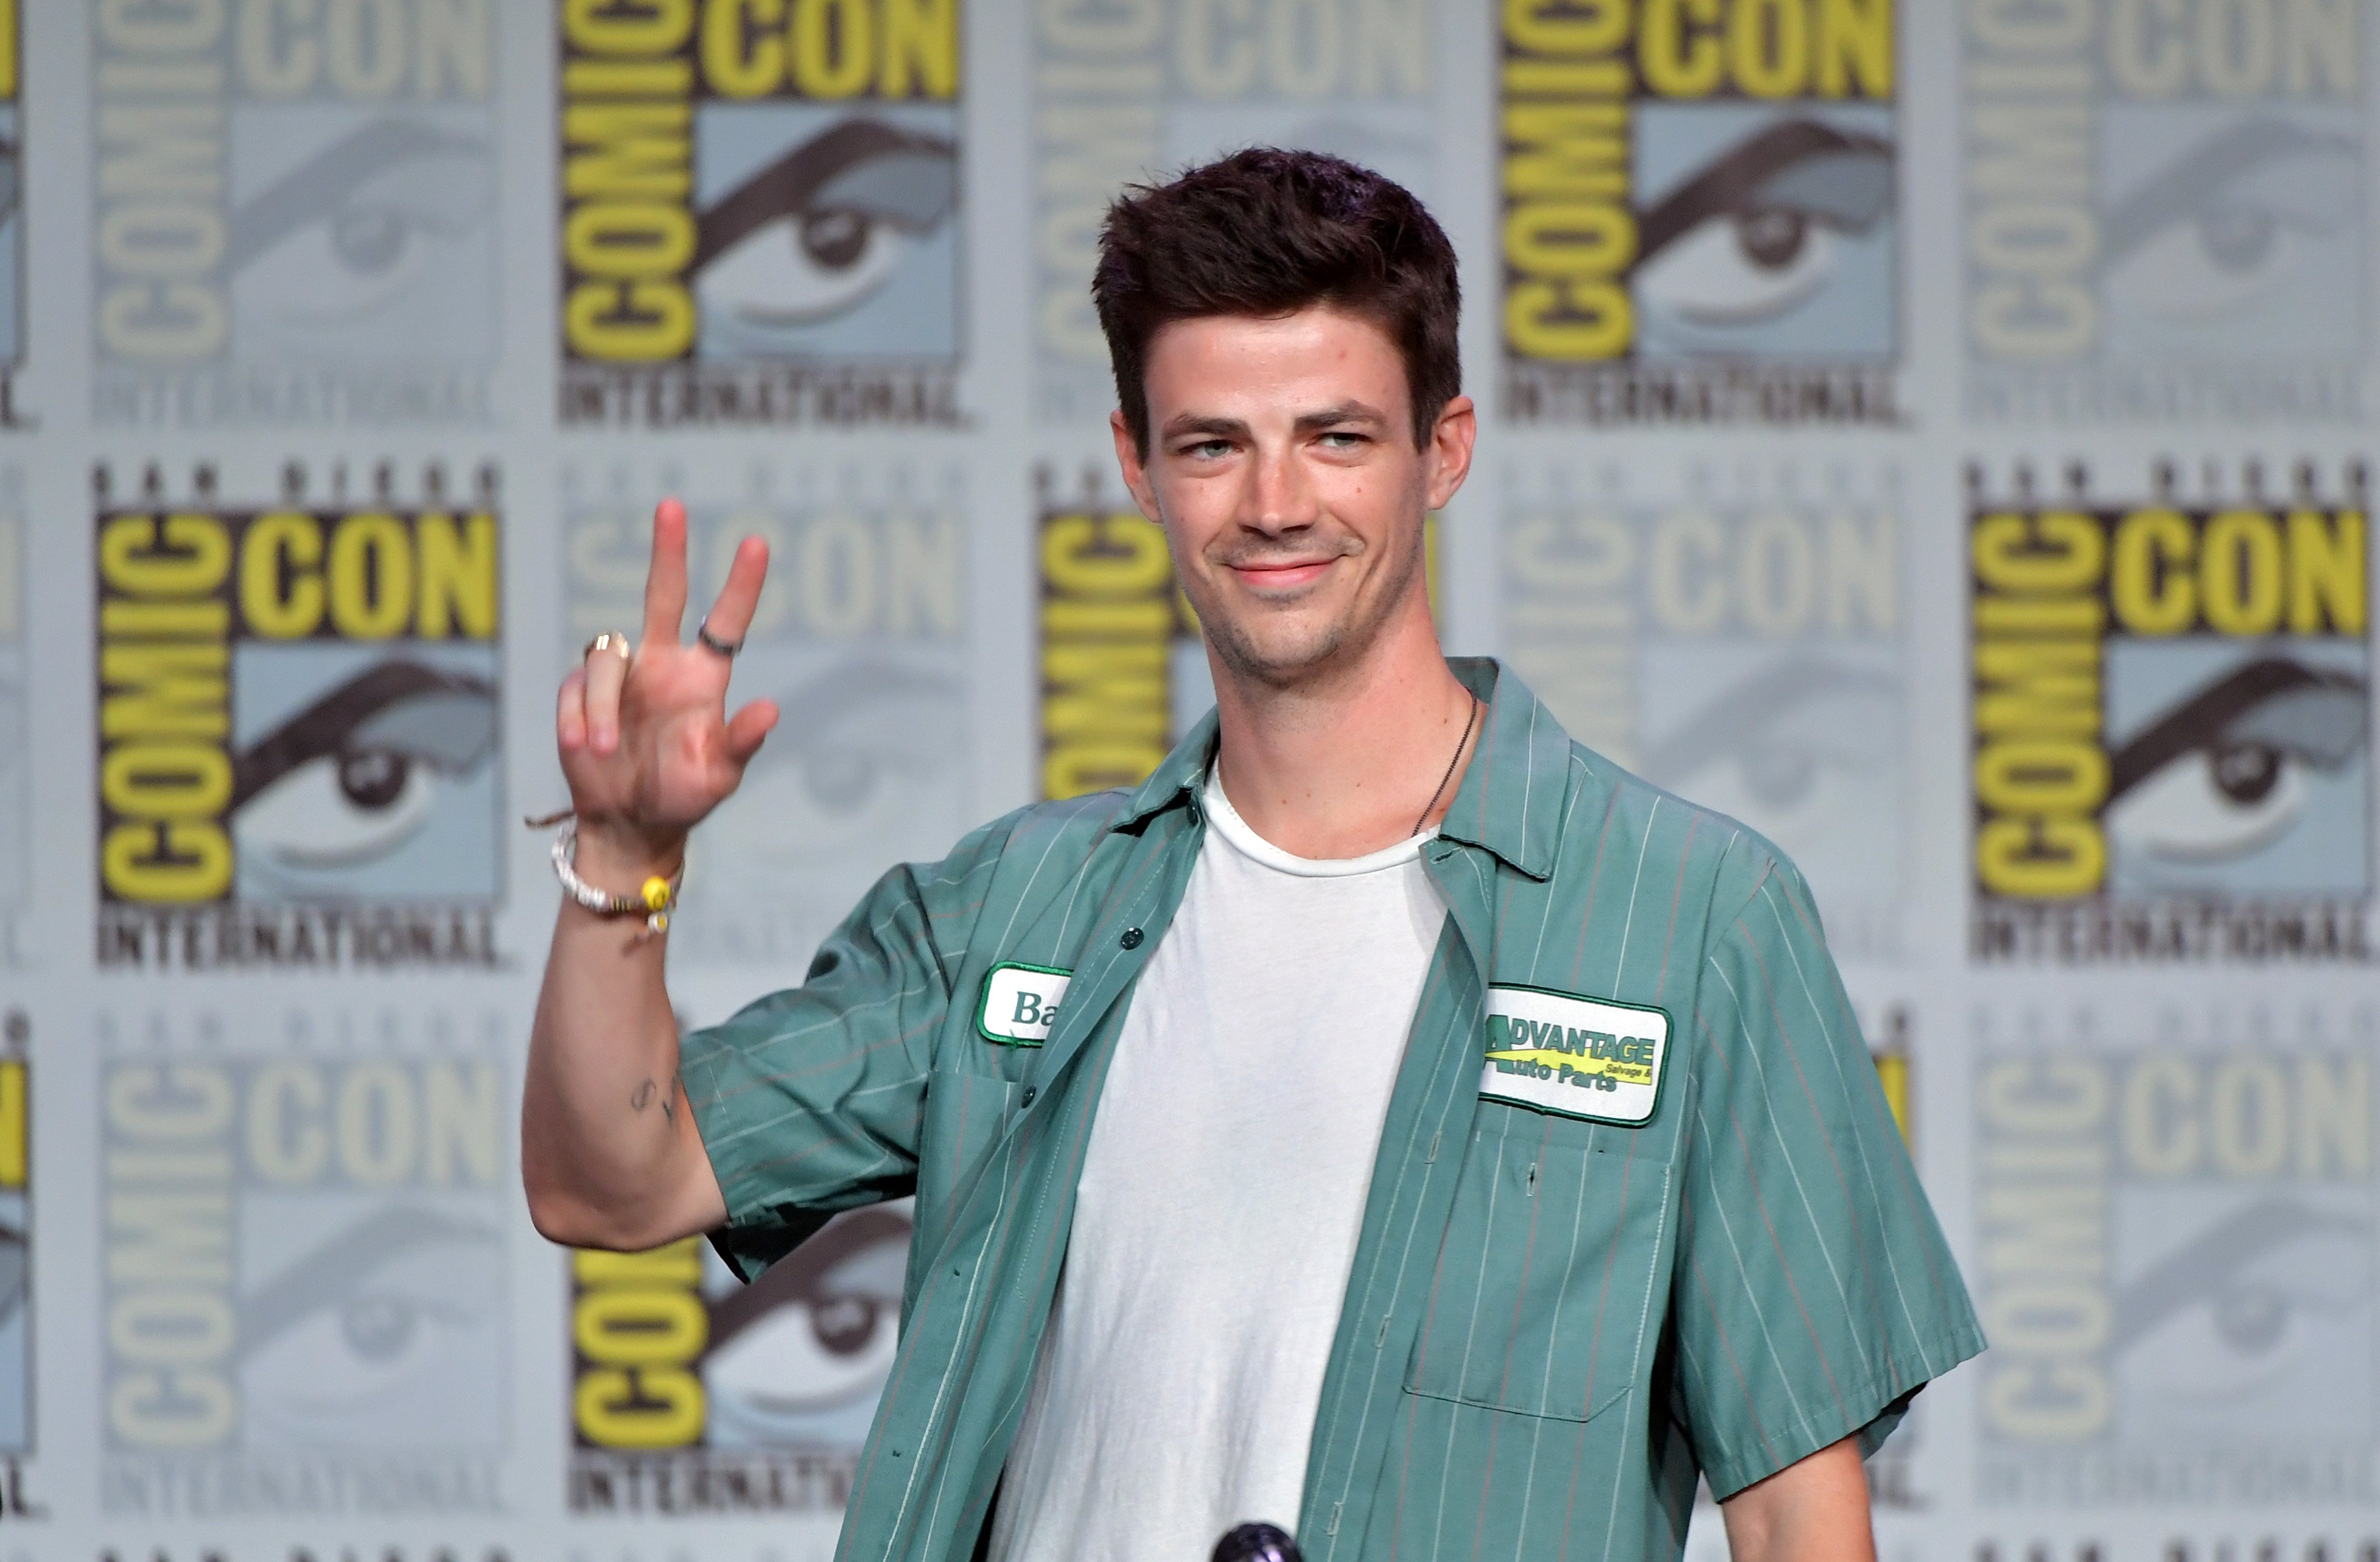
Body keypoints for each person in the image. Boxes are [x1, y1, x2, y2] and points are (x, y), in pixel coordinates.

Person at [523, 149, 1983, 1562]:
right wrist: (622, 859)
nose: (1274, 502)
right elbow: (614, 1182)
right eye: (1211, 443)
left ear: (1443, 451)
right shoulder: (1013, 910)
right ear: (1135, 467)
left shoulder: (1691, 917)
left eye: (1335, 436)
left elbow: (1796, 1515)